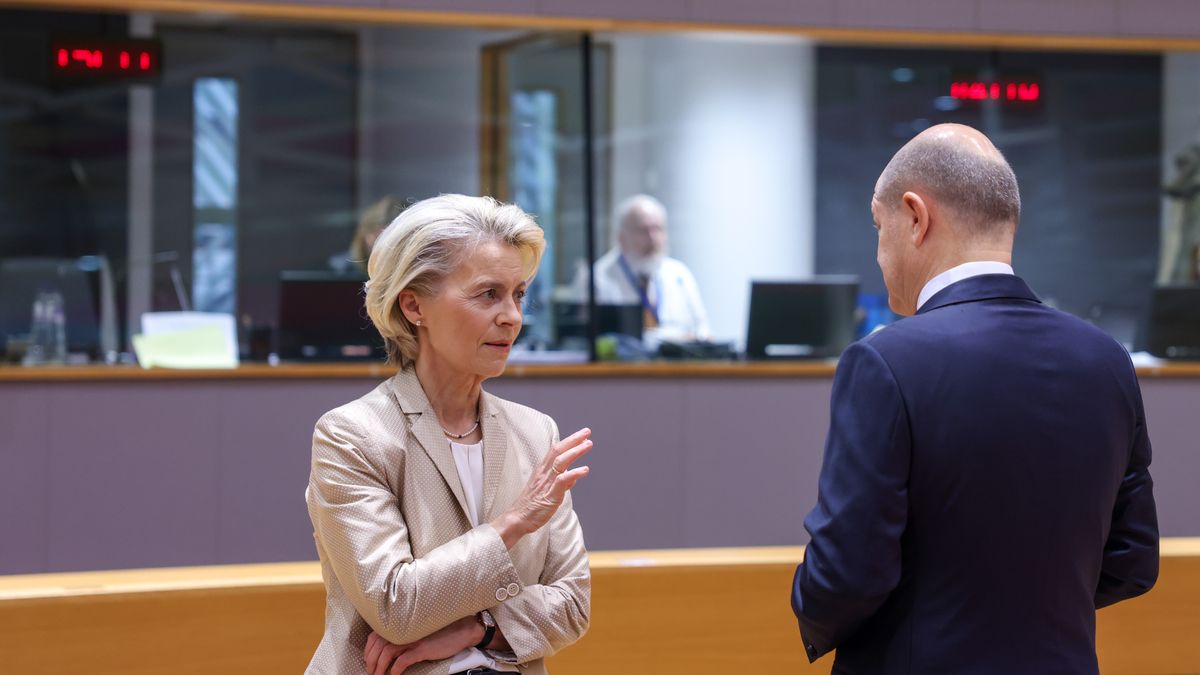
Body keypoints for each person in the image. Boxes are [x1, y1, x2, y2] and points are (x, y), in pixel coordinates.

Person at [790, 124, 1159, 673]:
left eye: (878, 226)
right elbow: (1133, 559)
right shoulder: (1106, 360)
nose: (878, 251)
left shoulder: (886, 362)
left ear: (915, 217)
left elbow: (843, 577)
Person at [305, 194, 593, 675]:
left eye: (518, 294)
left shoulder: (535, 431)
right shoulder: (352, 435)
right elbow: (397, 607)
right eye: (487, 294)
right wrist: (515, 521)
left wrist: (478, 627)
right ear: (414, 305)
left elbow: (572, 605)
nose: (512, 317)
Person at [575, 194, 709, 344]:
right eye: (643, 230)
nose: (653, 238)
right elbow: (587, 339)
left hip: (676, 365)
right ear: (621, 237)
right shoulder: (596, 278)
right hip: (623, 366)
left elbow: (702, 328)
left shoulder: (679, 274)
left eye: (658, 229)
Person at [330, 195, 405, 275]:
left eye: (393, 240)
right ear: (364, 235)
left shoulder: (413, 277)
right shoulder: (341, 270)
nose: (384, 247)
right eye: (378, 238)